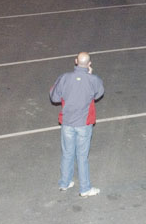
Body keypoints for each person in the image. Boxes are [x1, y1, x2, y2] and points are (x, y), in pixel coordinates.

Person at [49, 52, 104, 198]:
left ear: (75, 61)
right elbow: (98, 94)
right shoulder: (94, 80)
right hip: (84, 124)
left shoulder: (64, 78)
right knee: (82, 156)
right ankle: (85, 188)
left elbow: (54, 97)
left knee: (67, 153)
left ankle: (65, 182)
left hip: (67, 122)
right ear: (89, 64)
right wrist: (90, 75)